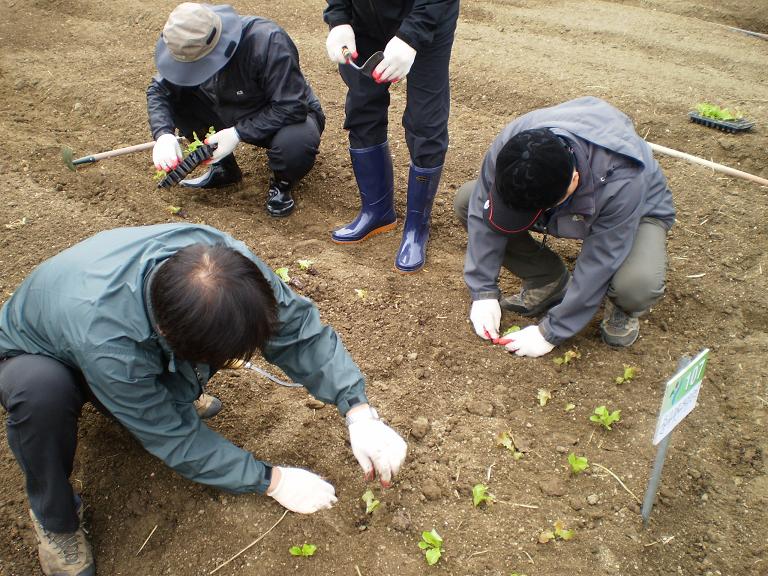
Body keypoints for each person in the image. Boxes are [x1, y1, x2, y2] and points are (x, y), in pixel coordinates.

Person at [0, 223, 407, 576]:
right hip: (35, 354)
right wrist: (272, 481)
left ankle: (153, 396)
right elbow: (174, 438)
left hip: (110, 328)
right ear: (166, 332)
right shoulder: (110, 346)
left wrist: (358, 411)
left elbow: (297, 328)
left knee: (186, 359)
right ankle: (55, 519)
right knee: (40, 394)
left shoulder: (224, 265)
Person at [454, 97, 676, 357]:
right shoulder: (515, 144)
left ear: (573, 181)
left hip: (637, 211)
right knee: (468, 201)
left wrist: (551, 332)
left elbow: (600, 260)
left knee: (636, 285)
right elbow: (482, 206)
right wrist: (483, 291)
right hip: (560, 201)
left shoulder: (622, 177)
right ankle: (547, 278)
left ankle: (622, 307)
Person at [148, 3, 325, 217]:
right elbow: (159, 90)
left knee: (296, 143)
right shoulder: (186, 45)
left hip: (280, 114)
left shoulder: (266, 41)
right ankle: (223, 169)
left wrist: (238, 133)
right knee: (179, 100)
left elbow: (291, 106)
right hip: (225, 108)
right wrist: (163, 135)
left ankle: (283, 183)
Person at [323, 0, 460, 272]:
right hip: (363, 18)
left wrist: (410, 37)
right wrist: (339, 18)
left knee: (425, 122)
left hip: (426, 15)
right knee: (362, 105)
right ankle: (377, 212)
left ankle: (416, 228)